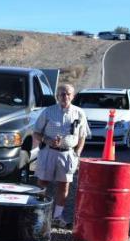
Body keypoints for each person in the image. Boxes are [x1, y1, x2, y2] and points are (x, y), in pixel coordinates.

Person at [32, 83, 89, 229]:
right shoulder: (48, 111)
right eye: (62, 94)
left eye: (68, 94)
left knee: (64, 185)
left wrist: (77, 153)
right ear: (57, 96)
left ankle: (57, 217)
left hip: (68, 154)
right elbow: (36, 132)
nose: (65, 97)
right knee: (42, 183)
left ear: (73, 96)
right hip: (48, 152)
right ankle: (39, 217)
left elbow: (82, 136)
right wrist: (47, 140)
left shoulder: (79, 113)